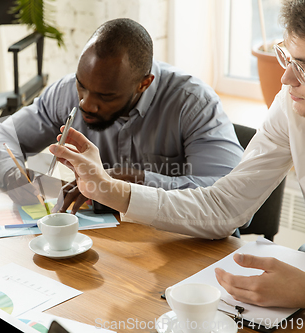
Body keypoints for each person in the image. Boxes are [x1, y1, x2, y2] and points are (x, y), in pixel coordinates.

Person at [48, 0, 305, 308]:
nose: (286, 79)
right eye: (288, 59)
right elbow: (224, 207)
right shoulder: (289, 106)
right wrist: (107, 187)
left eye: (303, 66)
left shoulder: (191, 100)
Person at [0, 18, 243, 212]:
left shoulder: (194, 104)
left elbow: (232, 198)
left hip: (183, 247)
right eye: (81, 86)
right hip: (107, 246)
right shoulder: (65, 93)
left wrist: (135, 183)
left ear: (144, 83)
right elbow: (2, 135)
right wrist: (13, 176)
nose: (86, 104)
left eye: (106, 97)